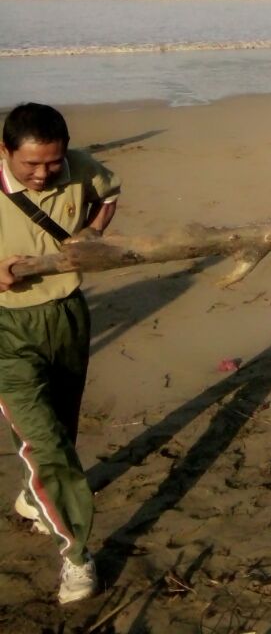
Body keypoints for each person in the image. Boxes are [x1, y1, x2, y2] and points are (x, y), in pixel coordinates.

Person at [1, 102, 120, 605]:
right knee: (45, 444)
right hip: (5, 327)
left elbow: (108, 195)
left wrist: (92, 233)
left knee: (63, 427)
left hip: (67, 315)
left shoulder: (82, 167)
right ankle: (75, 555)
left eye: (53, 163)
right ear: (5, 152)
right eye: (30, 164)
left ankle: (35, 497)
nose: (44, 174)